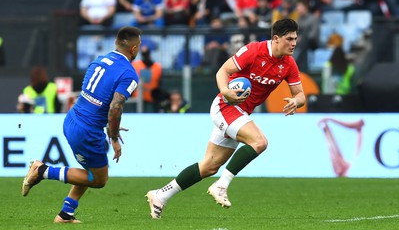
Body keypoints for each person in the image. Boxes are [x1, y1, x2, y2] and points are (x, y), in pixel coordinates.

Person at [145, 18, 306, 219]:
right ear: (276, 38)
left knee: (209, 166)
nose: (294, 43)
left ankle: (160, 195)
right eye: (289, 39)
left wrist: (295, 101)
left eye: (295, 39)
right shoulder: (253, 51)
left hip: (241, 114)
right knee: (259, 142)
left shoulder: (288, 64)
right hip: (226, 106)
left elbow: (301, 95)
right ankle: (222, 185)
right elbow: (224, 70)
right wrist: (225, 91)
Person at [21, 26, 143, 223]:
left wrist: (109, 124)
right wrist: (113, 137)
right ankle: (43, 171)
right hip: (87, 130)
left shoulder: (98, 61)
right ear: (134, 49)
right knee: (99, 179)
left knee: (89, 169)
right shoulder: (129, 74)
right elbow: (115, 107)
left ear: (116, 43)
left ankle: (66, 213)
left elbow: (96, 99)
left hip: (73, 119)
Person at [131, 45, 163, 112]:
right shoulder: (135, 65)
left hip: (152, 99)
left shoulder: (157, 67)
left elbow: (160, 83)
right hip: (137, 99)